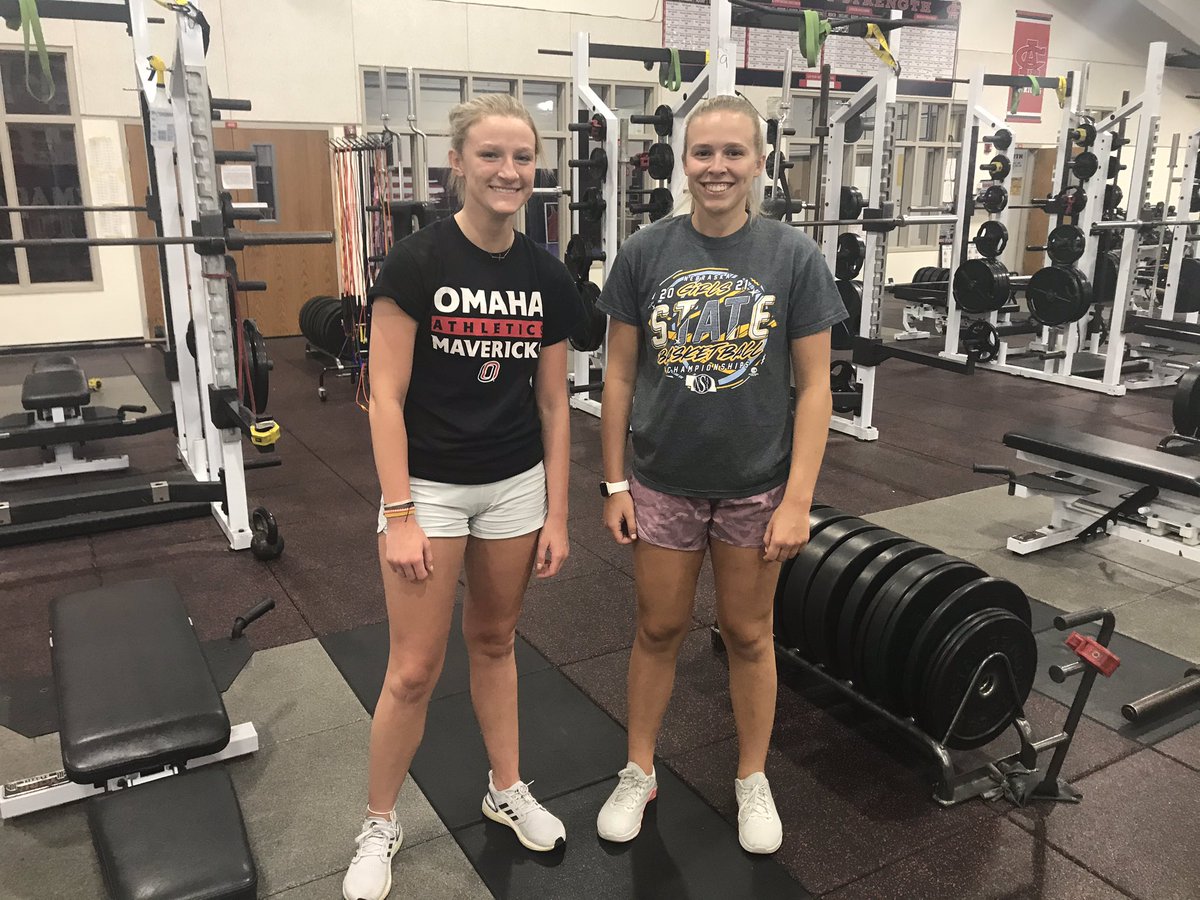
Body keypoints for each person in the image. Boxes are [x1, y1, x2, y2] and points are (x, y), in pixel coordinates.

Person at [593, 94, 846, 855]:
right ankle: (638, 770)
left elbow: (816, 388)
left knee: (747, 632)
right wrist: (612, 484)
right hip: (664, 481)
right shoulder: (644, 253)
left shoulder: (792, 257)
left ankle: (751, 778)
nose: (717, 167)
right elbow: (618, 378)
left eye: (734, 152)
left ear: (760, 162)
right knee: (659, 627)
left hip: (756, 485)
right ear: (683, 160)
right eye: (703, 152)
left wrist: (798, 499)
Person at [343, 93, 581, 900]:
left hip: (514, 487)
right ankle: (379, 821)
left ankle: (505, 789)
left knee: (496, 642)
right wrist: (401, 512)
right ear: (458, 164)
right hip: (432, 493)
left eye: (522, 157)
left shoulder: (546, 275)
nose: (508, 171)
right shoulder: (416, 263)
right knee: (412, 670)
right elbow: (384, 395)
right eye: (491, 156)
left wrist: (557, 511)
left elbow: (553, 404)